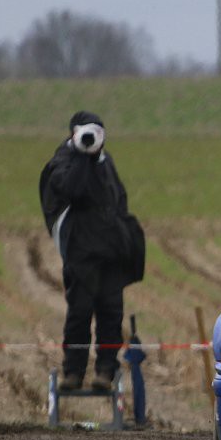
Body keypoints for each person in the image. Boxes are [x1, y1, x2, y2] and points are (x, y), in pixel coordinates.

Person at [38, 111, 145, 392]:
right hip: (81, 253)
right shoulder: (63, 161)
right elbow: (70, 190)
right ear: (73, 134)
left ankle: (105, 372)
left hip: (110, 253)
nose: (90, 139)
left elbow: (118, 199)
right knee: (80, 313)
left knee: (111, 314)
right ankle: (73, 372)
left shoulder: (105, 161)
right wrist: (82, 156)